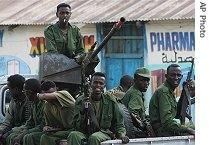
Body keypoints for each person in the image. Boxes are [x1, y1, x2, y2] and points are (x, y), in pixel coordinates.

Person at [67, 72, 129, 145]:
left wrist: (122, 135)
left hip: (103, 133)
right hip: (84, 132)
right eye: (95, 82)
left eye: (101, 83)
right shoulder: (81, 100)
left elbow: (119, 124)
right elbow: (75, 125)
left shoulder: (110, 101)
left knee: (94, 137)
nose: (98, 85)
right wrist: (82, 112)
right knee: (73, 135)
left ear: (104, 86)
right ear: (91, 84)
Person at [149, 64, 195, 136]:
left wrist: (184, 92)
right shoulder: (163, 91)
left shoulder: (169, 91)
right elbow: (167, 122)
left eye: (178, 75)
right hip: (162, 131)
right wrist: (188, 129)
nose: (176, 78)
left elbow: (177, 114)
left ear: (181, 77)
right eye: (173, 75)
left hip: (166, 129)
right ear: (166, 76)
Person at [6, 78, 45, 145]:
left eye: (24, 92)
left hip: (43, 131)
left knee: (28, 137)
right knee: (11, 136)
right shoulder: (34, 103)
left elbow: (42, 125)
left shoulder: (44, 104)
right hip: (34, 129)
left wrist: (24, 133)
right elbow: (29, 123)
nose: (24, 94)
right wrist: (11, 131)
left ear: (29, 92)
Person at [38, 81, 75, 145]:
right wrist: (47, 128)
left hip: (75, 129)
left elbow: (44, 96)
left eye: (51, 93)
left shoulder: (64, 94)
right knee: (44, 137)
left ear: (56, 89)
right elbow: (50, 125)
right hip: (63, 131)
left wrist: (37, 95)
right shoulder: (47, 105)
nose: (49, 97)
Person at [0, 74, 32, 144]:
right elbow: (8, 121)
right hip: (16, 129)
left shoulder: (30, 101)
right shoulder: (13, 101)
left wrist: (9, 132)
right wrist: (1, 131)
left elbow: (29, 124)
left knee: (12, 137)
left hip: (25, 130)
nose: (9, 91)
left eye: (10, 89)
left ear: (16, 89)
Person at [122, 67, 151, 137]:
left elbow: (141, 114)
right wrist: (145, 127)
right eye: (142, 80)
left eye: (147, 80)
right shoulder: (136, 93)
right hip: (131, 131)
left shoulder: (135, 91)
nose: (146, 83)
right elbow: (133, 115)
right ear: (135, 80)